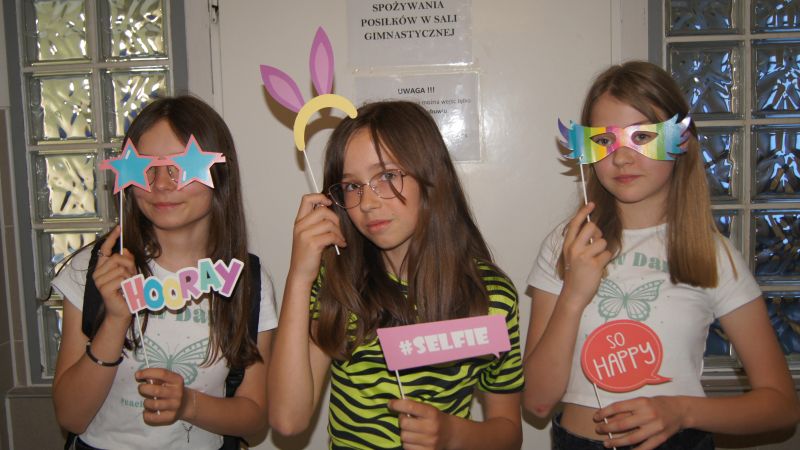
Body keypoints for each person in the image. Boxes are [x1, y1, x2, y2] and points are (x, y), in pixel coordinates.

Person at [523, 60, 800, 450]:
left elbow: (781, 406)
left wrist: (682, 411)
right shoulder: (569, 244)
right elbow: (537, 402)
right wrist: (573, 295)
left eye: (642, 137)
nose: (622, 158)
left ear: (680, 141)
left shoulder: (710, 254)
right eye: (604, 140)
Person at [268, 101, 524, 449]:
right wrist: (300, 277)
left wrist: (453, 434)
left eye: (387, 176)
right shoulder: (338, 284)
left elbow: (508, 432)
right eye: (352, 186)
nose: (368, 203)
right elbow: (288, 420)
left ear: (431, 177)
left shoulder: (490, 296)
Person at [51, 96, 277, 449]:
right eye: (145, 168)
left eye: (180, 167)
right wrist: (115, 321)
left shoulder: (245, 280)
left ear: (219, 174)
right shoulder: (95, 269)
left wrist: (189, 404)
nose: (160, 184)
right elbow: (71, 417)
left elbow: (254, 417)